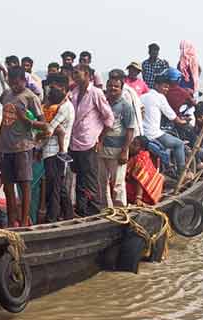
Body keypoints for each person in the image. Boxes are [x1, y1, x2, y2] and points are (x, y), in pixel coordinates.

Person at [0, 66, 47, 227]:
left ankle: (25, 221)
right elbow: (4, 120)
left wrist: (27, 121)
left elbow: (44, 125)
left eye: (17, 83)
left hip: (23, 147)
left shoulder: (30, 97)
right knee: (8, 187)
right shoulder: (6, 95)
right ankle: (12, 221)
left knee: (25, 186)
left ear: (24, 81)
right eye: (11, 83)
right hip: (6, 146)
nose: (14, 86)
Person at [68, 64, 114, 216]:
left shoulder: (96, 92)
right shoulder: (74, 93)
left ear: (87, 74)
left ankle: (95, 211)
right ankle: (81, 210)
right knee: (80, 178)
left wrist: (100, 139)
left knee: (91, 179)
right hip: (75, 142)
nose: (74, 76)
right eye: (73, 73)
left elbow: (109, 118)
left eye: (77, 73)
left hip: (90, 142)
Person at [97, 71, 135, 208]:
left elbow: (131, 130)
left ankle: (120, 210)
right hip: (101, 148)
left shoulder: (126, 106)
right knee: (101, 182)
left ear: (121, 88)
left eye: (116, 86)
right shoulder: (103, 103)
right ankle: (106, 211)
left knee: (118, 184)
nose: (113, 89)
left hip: (118, 150)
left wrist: (125, 151)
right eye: (110, 86)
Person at [140, 74, 191, 176]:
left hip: (142, 134)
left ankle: (167, 166)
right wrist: (184, 121)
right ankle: (182, 173)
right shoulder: (160, 97)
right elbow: (173, 117)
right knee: (179, 144)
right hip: (153, 134)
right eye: (165, 86)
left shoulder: (142, 96)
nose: (167, 89)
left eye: (168, 87)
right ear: (157, 85)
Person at [41, 72, 74, 222]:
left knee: (53, 188)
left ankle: (51, 219)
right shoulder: (61, 105)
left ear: (61, 88)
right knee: (59, 187)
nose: (50, 90)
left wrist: (34, 131)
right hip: (54, 151)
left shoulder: (65, 108)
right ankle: (69, 215)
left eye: (52, 87)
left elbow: (49, 130)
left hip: (55, 152)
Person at [125, 136, 164, 206]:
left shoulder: (139, 159)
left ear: (141, 148)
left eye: (134, 144)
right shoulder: (144, 154)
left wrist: (138, 198)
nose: (130, 146)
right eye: (132, 143)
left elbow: (139, 180)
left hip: (147, 195)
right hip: (153, 191)